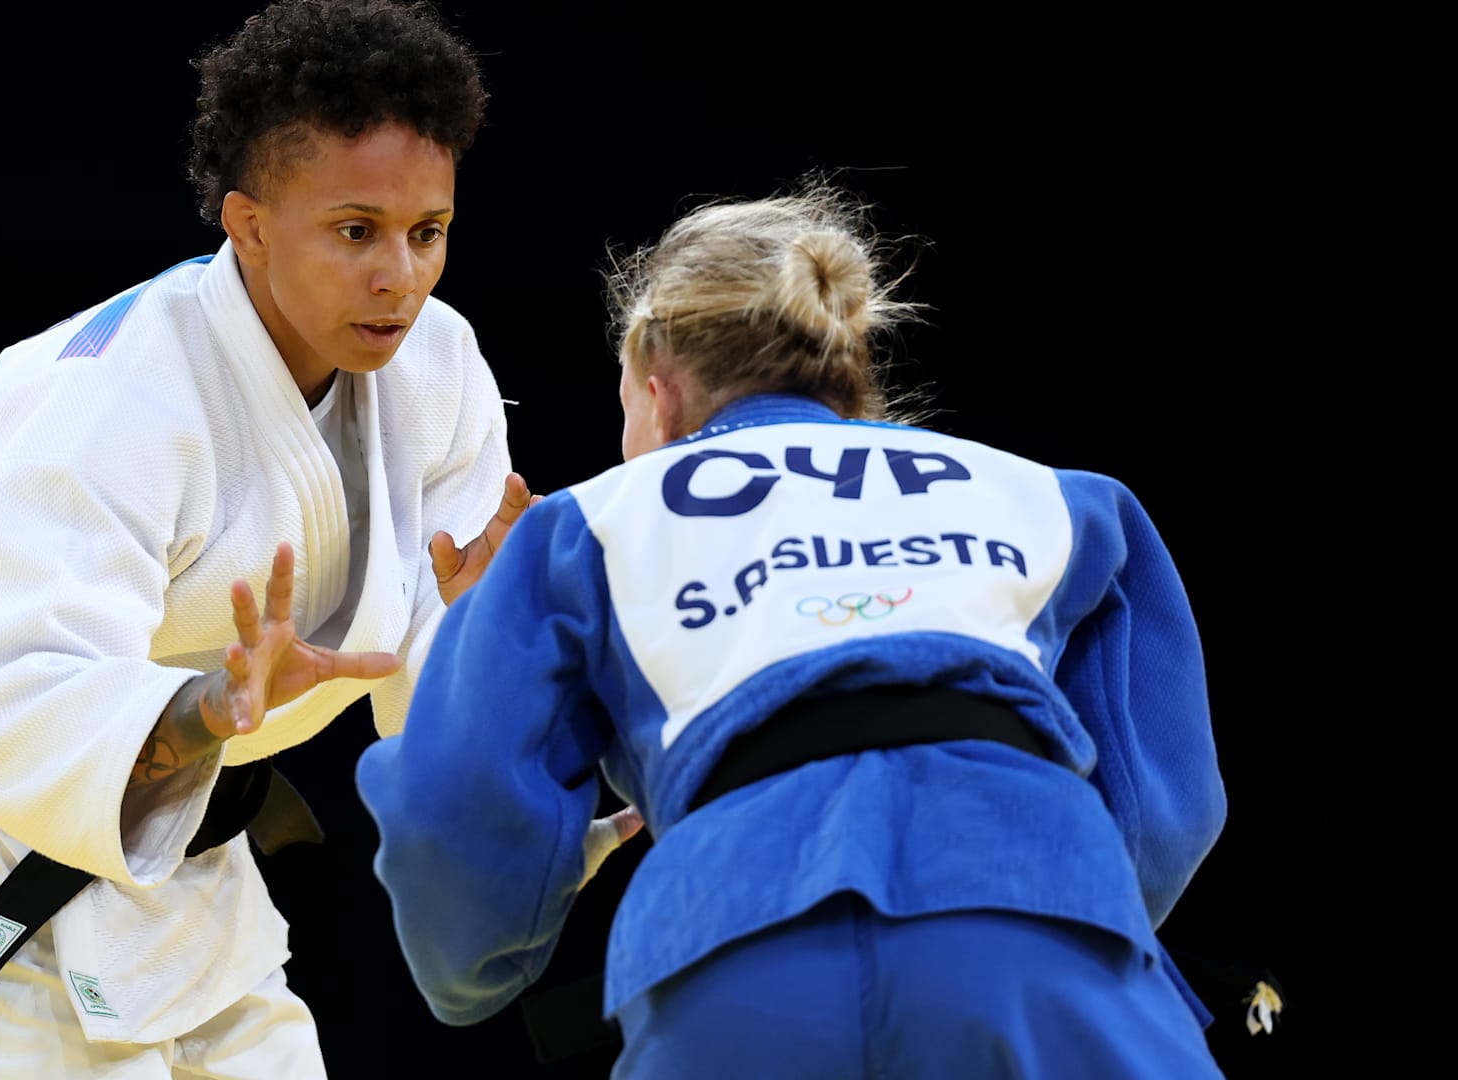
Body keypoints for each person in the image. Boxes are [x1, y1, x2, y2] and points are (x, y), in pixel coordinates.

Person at [0, 3, 629, 1076]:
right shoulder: (113, 398)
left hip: (195, 875)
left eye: (426, 230)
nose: (401, 275)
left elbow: (415, 687)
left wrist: (475, 628)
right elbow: (7, 694)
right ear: (248, 225)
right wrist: (209, 706)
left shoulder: (436, 367)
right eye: (356, 231)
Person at [355, 179, 1230, 1078]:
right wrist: (1063, 903)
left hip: (733, 950)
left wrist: (480, 956)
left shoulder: (585, 523)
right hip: (1038, 925)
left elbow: (455, 817)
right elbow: (1169, 810)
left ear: (656, 395)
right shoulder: (1061, 498)